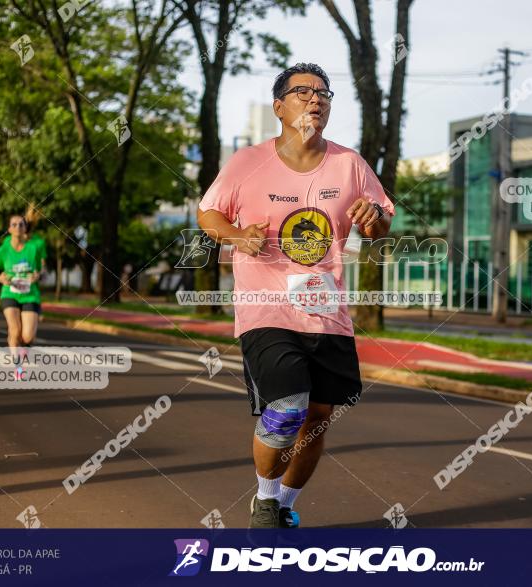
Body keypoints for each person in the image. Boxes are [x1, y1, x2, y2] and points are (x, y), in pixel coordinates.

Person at [196, 63, 394, 528]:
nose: (316, 98)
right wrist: (236, 235)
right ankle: (264, 500)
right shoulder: (248, 162)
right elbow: (208, 213)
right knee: (287, 408)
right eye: (303, 91)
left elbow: (382, 224)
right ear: (279, 107)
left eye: (324, 92)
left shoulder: (349, 165)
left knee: (317, 417)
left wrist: (373, 218)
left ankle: (284, 504)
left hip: (326, 314)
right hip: (264, 310)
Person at [0, 214, 44, 367]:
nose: (18, 227)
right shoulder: (3, 249)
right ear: (9, 229)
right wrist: (1, 278)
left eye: (21, 224)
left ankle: (24, 348)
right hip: (9, 293)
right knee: (14, 330)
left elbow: (40, 269)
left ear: (25, 228)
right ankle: (17, 365)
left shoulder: (33, 248)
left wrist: (37, 275)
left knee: (27, 337)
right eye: (14, 224)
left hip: (29, 295)